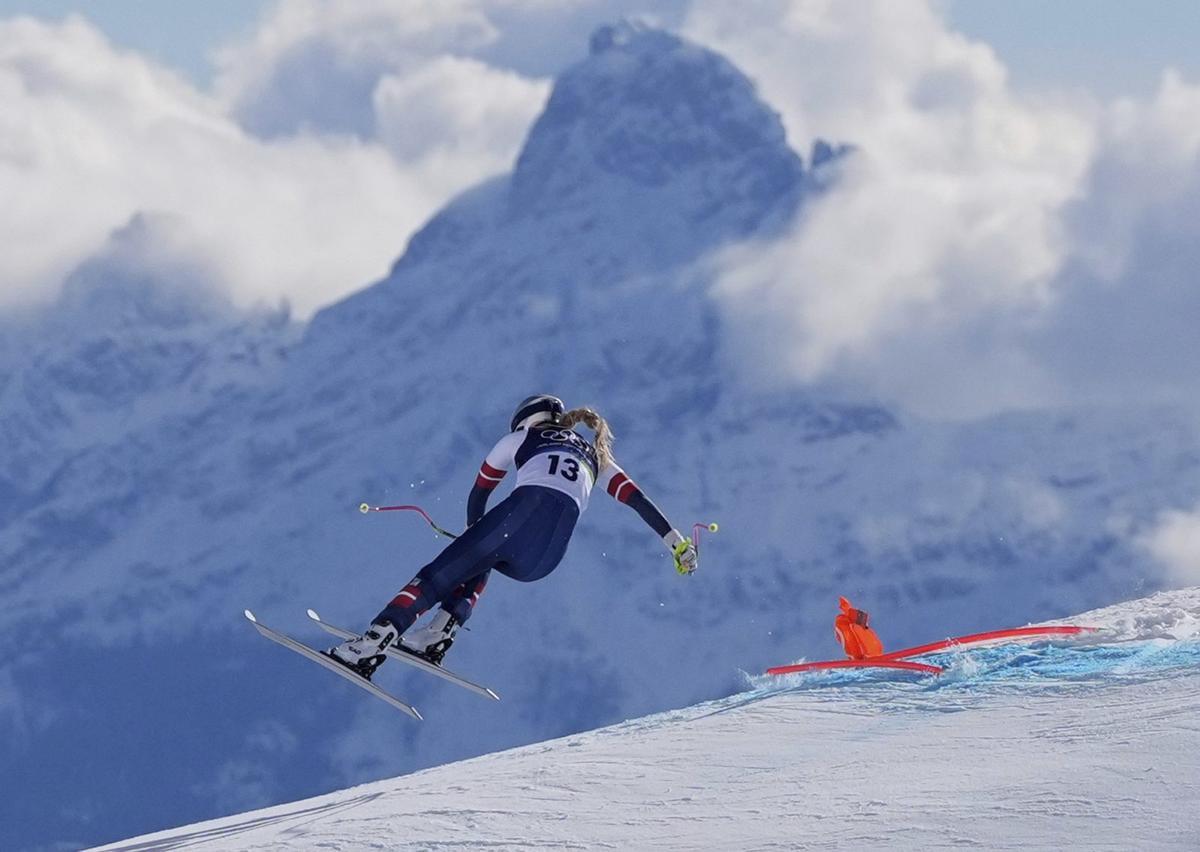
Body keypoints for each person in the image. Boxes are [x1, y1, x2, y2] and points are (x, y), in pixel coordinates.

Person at [327, 394, 698, 679]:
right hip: (546, 560)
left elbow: (480, 493)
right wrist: (678, 545)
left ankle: (370, 644)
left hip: (520, 516)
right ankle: (439, 633)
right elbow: (639, 501)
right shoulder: (597, 456)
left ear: (524, 420)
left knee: (438, 575)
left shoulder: (520, 439)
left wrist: (470, 537)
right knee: (485, 555)